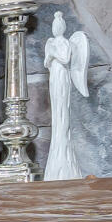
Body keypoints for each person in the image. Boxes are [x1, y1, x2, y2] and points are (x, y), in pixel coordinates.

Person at [41, 13, 91, 181]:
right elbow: (46, 62)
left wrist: (54, 52)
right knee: (56, 112)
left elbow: (65, 58)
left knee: (63, 112)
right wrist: (51, 53)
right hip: (54, 76)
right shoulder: (50, 42)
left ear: (62, 27)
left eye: (59, 25)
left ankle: (66, 165)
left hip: (63, 76)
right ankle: (55, 165)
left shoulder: (67, 43)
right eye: (55, 26)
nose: (57, 28)